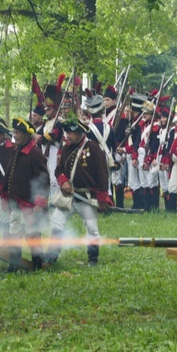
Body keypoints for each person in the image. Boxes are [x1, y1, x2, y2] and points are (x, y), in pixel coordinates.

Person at [48, 114, 112, 267]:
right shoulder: (65, 149)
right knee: (56, 223)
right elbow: (58, 170)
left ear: (80, 133)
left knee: (91, 228)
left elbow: (102, 175)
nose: (67, 136)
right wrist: (63, 181)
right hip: (68, 196)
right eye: (67, 132)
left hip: (86, 197)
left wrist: (103, 199)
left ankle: (92, 260)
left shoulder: (94, 148)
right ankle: (51, 257)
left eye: (70, 133)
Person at [5, 117, 50, 271]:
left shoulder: (35, 154)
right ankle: (14, 265)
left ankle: (38, 264)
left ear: (26, 135)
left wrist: (39, 201)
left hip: (30, 204)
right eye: (14, 132)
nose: (15, 135)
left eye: (17, 133)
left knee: (33, 236)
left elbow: (43, 179)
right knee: (14, 234)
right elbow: (10, 174)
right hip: (17, 202)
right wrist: (6, 196)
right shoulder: (16, 151)